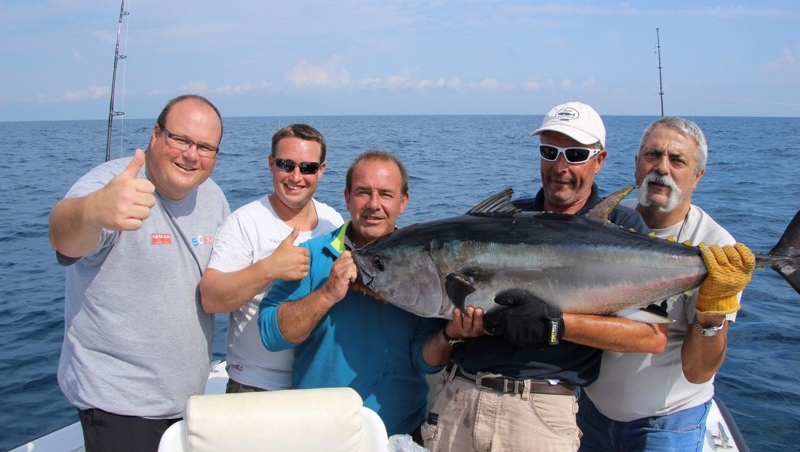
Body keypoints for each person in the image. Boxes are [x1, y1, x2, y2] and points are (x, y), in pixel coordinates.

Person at [422, 101, 665, 452]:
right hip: (458, 398)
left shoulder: (623, 229)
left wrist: (556, 325)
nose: (561, 167)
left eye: (576, 154)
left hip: (538, 412)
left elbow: (651, 338)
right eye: (550, 151)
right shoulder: (507, 218)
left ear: (600, 160)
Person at [258, 150, 483, 440]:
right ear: (347, 197)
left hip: (399, 433)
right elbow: (271, 334)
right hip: (317, 433)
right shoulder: (313, 256)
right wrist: (327, 293)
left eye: (386, 195)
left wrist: (450, 334)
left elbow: (424, 361)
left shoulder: (425, 267)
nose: (374, 205)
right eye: (363, 192)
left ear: (403, 202)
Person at [49, 95, 230, 451]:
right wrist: (90, 212)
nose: (191, 154)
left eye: (205, 147)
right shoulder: (112, 186)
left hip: (185, 398)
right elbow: (62, 239)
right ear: (155, 135)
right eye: (180, 139)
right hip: (118, 404)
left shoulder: (213, 196)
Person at [578, 116, 755, 452]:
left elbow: (700, 370)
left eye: (677, 160)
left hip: (666, 427)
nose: (662, 168)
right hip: (590, 414)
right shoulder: (605, 221)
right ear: (636, 164)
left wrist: (712, 313)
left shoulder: (717, 249)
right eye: (652, 155)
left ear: (698, 175)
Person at [199, 124, 343, 393]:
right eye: (286, 165)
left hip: (316, 381)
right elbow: (211, 299)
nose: (296, 176)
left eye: (308, 167)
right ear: (270, 163)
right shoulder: (244, 222)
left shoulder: (332, 220)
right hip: (255, 383)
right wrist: (269, 268)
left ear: (321, 170)